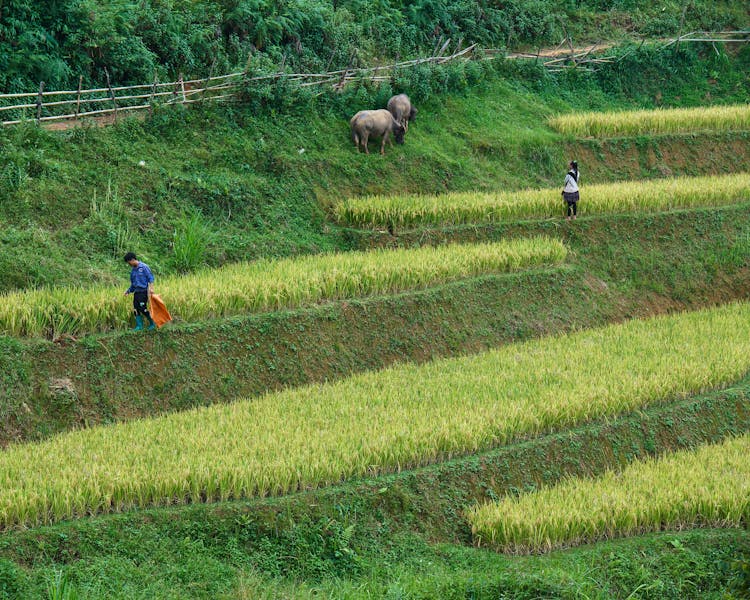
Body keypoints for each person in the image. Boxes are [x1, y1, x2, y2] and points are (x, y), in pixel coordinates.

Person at [123, 252, 156, 331]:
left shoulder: (144, 267)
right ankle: (139, 326)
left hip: (143, 292)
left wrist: (151, 288)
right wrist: (128, 291)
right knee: (135, 309)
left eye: (129, 262)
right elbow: (133, 285)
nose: (129, 264)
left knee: (143, 308)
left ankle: (152, 323)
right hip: (136, 293)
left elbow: (150, 278)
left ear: (132, 260)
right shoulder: (133, 271)